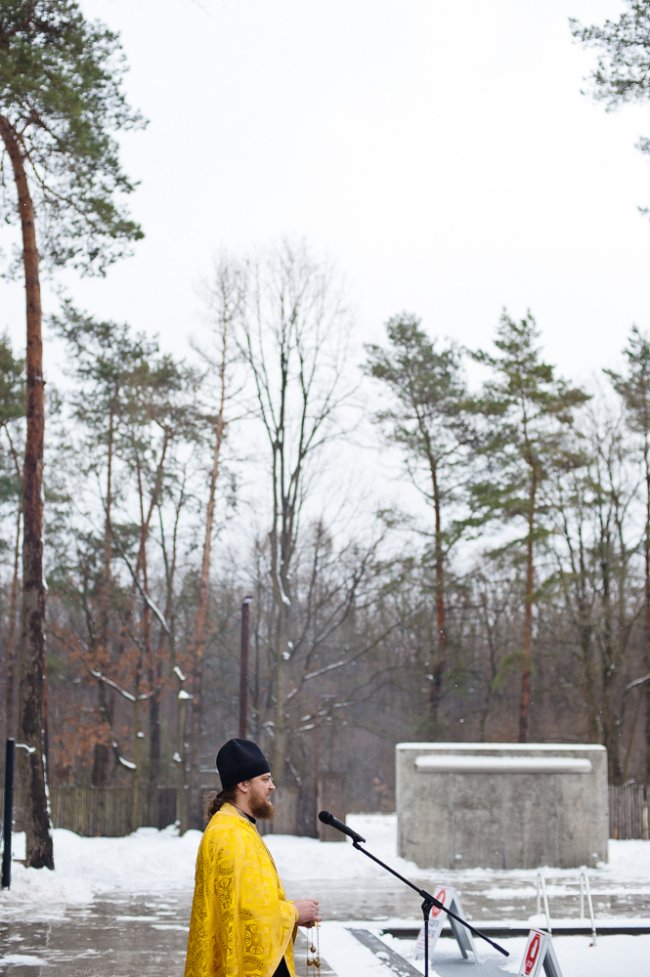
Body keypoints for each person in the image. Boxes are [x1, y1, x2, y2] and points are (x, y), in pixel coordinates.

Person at [184, 737, 321, 977]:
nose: (272, 786)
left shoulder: (238, 826)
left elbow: (250, 901)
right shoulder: (229, 834)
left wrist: (290, 912)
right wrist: (294, 912)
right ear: (244, 784)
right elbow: (242, 915)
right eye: (265, 779)